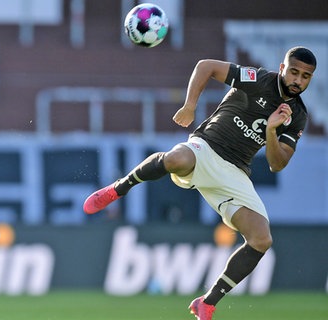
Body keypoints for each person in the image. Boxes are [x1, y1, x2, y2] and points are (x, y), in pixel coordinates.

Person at [83, 46, 316, 320]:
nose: (298, 80)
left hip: (235, 173)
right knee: (176, 159)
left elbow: (278, 163)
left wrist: (271, 130)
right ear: (282, 68)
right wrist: (190, 105)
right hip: (206, 147)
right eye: (294, 72)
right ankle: (117, 189)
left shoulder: (297, 114)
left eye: (305, 76)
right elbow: (206, 65)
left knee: (261, 239)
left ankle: (207, 302)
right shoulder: (258, 80)